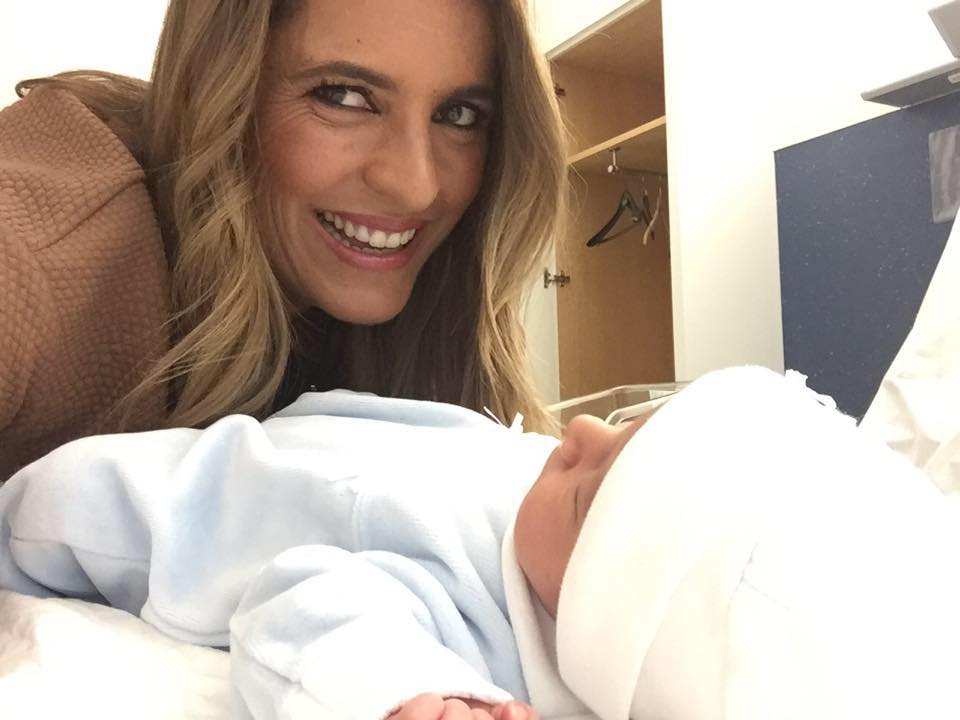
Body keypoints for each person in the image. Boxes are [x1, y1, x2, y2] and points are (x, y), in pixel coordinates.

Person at [4, 366, 960, 720]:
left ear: (599, 617)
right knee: (38, 512)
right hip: (145, 501)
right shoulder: (501, 576)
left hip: (257, 481)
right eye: (630, 425)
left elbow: (319, 603)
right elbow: (292, 609)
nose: (577, 435)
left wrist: (404, 688)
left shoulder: (493, 624)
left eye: (594, 491)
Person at [0, 0, 567, 480]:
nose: (417, 187)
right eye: (344, 97)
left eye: (459, 115)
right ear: (220, 87)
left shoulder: (436, 309)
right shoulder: (40, 252)